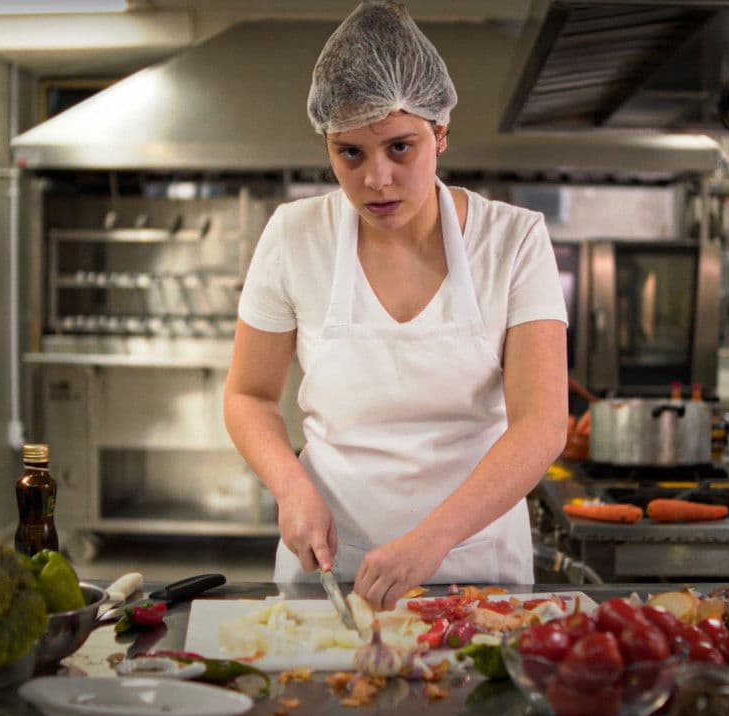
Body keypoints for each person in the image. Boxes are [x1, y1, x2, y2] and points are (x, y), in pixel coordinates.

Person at [223, 0, 567, 610]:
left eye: (400, 147)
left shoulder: (513, 240)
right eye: (349, 153)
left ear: (441, 134)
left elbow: (541, 424)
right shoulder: (293, 236)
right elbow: (248, 396)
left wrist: (432, 539)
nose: (376, 179)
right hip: (330, 569)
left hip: (476, 565)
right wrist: (291, 488)